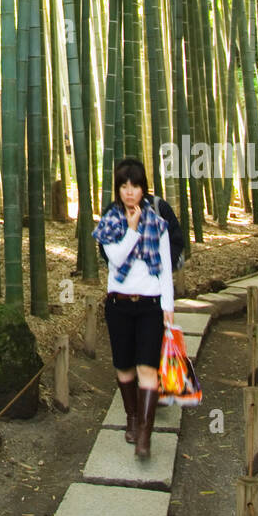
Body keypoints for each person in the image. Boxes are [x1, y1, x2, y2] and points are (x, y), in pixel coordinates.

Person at [91, 157, 174, 459]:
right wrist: (132, 229)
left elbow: (165, 267)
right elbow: (116, 259)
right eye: (124, 186)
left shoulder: (159, 223)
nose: (129, 192)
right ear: (118, 190)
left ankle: (144, 436)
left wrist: (168, 305)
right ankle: (132, 417)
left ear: (143, 189)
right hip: (119, 304)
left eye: (135, 186)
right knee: (124, 367)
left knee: (147, 368)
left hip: (150, 304)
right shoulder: (110, 222)